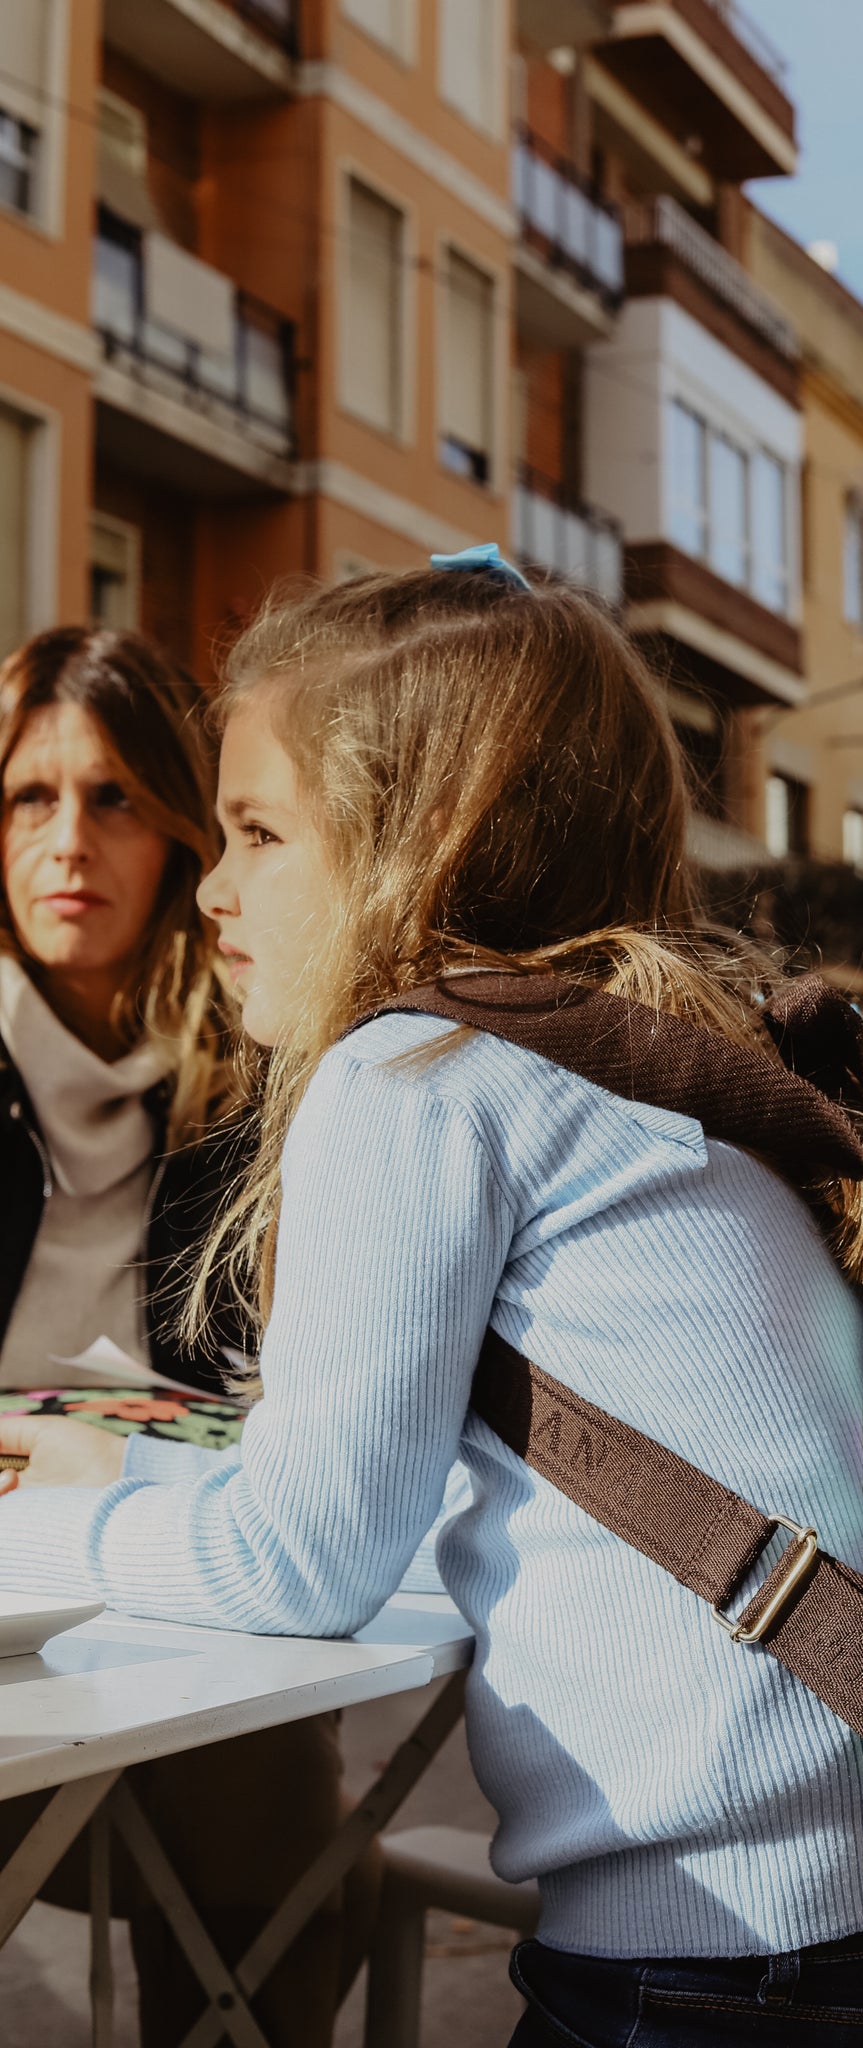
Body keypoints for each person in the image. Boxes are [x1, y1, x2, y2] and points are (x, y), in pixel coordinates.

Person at [0, 564, 863, 2045]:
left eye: (260, 833)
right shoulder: (656, 1051)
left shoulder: (409, 1079)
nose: (212, 885)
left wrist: (26, 1521)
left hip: (722, 1946)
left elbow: (300, 1560)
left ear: (417, 838)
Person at [0, 625, 377, 2048]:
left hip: (151, 1565)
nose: (66, 841)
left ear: (178, 828)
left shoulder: (259, 1068)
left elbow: (278, 1399)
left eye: (111, 799)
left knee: (277, 1797)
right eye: (28, 798)